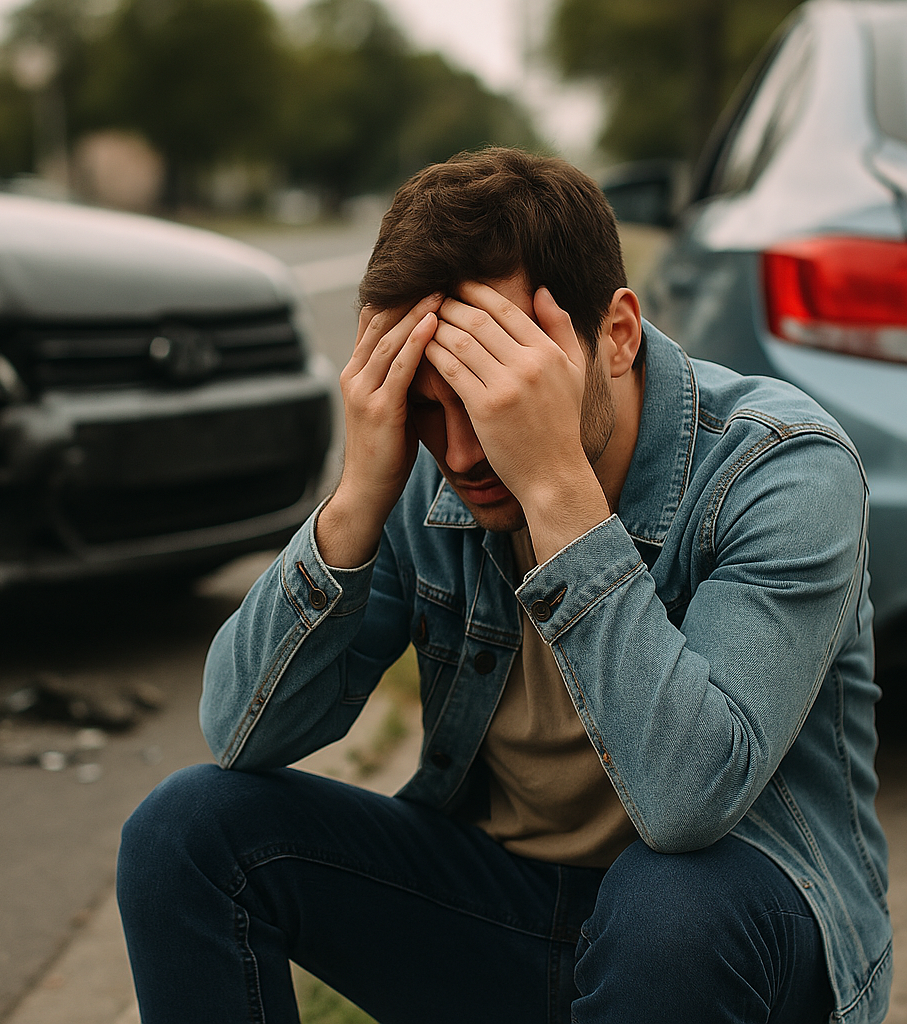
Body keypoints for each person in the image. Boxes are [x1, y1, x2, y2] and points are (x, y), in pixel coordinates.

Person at [116, 148, 890, 1023]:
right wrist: (358, 498)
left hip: (721, 941)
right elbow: (238, 733)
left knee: (666, 911)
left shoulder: (781, 471)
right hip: (502, 910)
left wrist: (557, 487)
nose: (463, 453)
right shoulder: (432, 469)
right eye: (429, 405)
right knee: (183, 831)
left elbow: (688, 801)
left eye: (500, 393)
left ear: (619, 334)